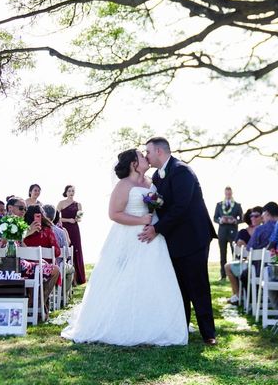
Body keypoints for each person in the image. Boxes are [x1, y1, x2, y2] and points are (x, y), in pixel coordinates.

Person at [62, 148, 188, 346]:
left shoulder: (151, 182)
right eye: (141, 156)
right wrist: (140, 220)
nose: (146, 157)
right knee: (126, 277)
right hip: (130, 236)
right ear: (133, 164)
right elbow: (114, 214)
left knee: (154, 277)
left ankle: (155, 323)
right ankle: (123, 323)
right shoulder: (124, 185)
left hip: (153, 237)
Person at [139, 137, 217, 345]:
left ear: (159, 152)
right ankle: (181, 328)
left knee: (197, 285)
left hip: (194, 237)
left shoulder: (182, 170)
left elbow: (181, 207)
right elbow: (163, 205)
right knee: (179, 286)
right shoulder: (157, 175)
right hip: (174, 238)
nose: (146, 155)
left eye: (148, 151)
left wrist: (156, 228)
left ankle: (208, 333)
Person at [22, 205, 61, 320]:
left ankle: (33, 302)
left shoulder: (22, 229)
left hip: (27, 269)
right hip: (39, 270)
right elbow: (57, 252)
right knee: (53, 271)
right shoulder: (47, 230)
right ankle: (40, 303)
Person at [224, 207, 262, 304]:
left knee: (229, 267)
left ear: (262, 217)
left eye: (256, 216)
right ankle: (237, 294)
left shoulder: (262, 231)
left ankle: (238, 295)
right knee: (228, 266)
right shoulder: (243, 232)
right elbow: (238, 247)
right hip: (247, 263)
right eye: (251, 216)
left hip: (257, 266)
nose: (253, 218)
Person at [57, 185, 85, 285]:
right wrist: (68, 220)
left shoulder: (78, 204)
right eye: (69, 191)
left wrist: (77, 219)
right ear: (66, 192)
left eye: (73, 191)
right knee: (66, 249)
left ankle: (78, 278)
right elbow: (56, 218)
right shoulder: (61, 203)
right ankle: (68, 277)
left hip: (74, 229)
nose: (71, 193)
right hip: (64, 229)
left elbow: (80, 218)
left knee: (76, 249)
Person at [213, 186, 243, 280]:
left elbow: (241, 218)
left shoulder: (237, 205)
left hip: (233, 232)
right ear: (224, 194)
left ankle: (236, 275)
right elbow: (215, 218)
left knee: (234, 253)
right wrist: (220, 220)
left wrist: (234, 221)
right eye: (226, 194)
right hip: (222, 232)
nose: (228, 195)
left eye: (229, 194)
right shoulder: (219, 205)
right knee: (222, 254)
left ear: (232, 193)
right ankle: (223, 275)